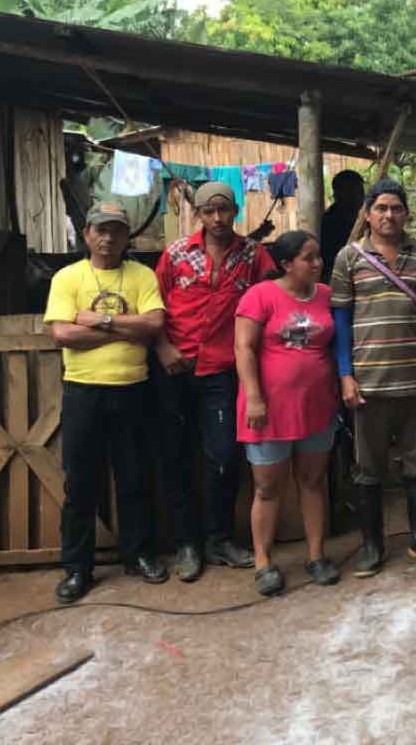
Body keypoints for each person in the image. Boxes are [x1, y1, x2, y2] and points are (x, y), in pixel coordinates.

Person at [45, 203, 168, 603]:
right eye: (101, 230)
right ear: (86, 235)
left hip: (132, 388)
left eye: (117, 231)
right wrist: (126, 330)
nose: (108, 238)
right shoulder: (68, 278)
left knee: (134, 477)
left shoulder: (142, 275)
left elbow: (153, 325)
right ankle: (77, 569)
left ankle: (139, 555)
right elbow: (62, 334)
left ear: (126, 236)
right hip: (83, 390)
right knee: (80, 484)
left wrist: (99, 321)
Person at [153, 181, 273, 582]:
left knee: (223, 456)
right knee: (175, 456)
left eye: (224, 210)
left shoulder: (255, 256)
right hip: (175, 369)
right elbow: (152, 306)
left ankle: (218, 538)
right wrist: (163, 347)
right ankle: (187, 544)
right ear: (198, 214)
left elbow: (271, 302)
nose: (217, 218)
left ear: (235, 210)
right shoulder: (174, 254)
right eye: (209, 211)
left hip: (222, 372)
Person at [330, 178, 416, 577]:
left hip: (414, 376)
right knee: (368, 466)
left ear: (406, 212)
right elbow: (341, 320)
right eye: (381, 208)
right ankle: (371, 546)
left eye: (396, 208)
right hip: (369, 381)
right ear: (367, 213)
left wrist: (413, 329)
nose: (388, 215)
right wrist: (345, 375)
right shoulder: (349, 257)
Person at [235, 231, 340, 596]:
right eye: (308, 258)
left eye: (318, 257)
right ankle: (263, 562)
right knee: (267, 487)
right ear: (286, 264)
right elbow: (244, 348)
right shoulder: (260, 296)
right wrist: (254, 398)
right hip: (268, 408)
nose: (317, 264)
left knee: (313, 482)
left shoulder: (326, 296)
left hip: (316, 406)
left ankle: (316, 555)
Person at [320, 170, 365, 283]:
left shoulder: (366, 215)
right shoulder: (330, 219)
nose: (361, 196)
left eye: (361, 191)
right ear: (339, 194)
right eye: (355, 191)